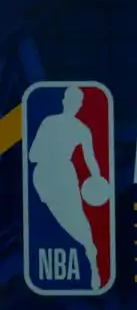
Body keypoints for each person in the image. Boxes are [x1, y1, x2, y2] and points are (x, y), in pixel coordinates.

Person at [29, 86, 103, 289]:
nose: (75, 105)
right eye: (73, 100)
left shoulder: (80, 129)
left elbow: (91, 160)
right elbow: (32, 155)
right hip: (45, 176)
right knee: (60, 219)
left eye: (77, 102)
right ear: (65, 101)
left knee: (76, 219)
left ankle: (92, 260)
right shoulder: (50, 123)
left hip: (61, 175)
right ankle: (89, 253)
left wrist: (97, 179)